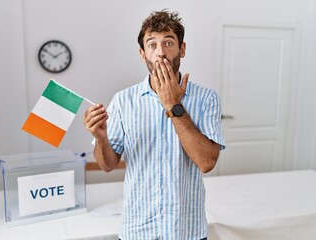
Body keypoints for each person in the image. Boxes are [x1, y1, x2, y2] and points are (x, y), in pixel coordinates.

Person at [83, 9, 225, 240]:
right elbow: (107, 164)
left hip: (186, 230)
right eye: (152, 45)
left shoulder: (206, 98)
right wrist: (101, 138)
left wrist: (173, 105)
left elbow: (207, 162)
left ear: (182, 49)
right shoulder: (123, 100)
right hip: (138, 229)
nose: (161, 53)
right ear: (142, 53)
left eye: (169, 43)